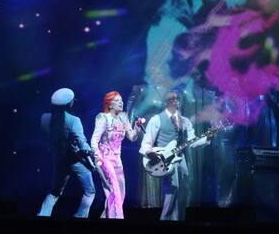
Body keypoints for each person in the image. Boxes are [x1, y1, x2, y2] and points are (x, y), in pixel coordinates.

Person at [139, 91, 210, 221]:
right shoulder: (157, 119)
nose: (175, 101)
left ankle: (178, 219)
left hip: (180, 158)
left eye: (177, 99)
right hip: (165, 160)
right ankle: (165, 219)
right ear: (166, 102)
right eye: (172, 99)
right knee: (172, 188)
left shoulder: (184, 120)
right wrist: (151, 153)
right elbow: (146, 142)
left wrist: (207, 138)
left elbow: (192, 141)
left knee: (184, 189)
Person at [37, 88, 95, 218]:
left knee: (55, 192)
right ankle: (80, 217)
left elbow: (46, 138)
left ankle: (42, 215)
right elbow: (82, 143)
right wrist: (90, 159)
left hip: (58, 160)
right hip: (74, 160)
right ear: (70, 103)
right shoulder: (74, 120)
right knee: (90, 191)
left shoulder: (45, 118)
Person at [90, 91, 144, 219]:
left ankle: (106, 217)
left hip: (117, 159)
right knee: (114, 191)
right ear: (109, 104)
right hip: (105, 159)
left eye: (121, 100)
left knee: (121, 192)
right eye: (117, 100)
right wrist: (98, 157)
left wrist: (137, 127)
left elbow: (132, 137)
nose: (121, 102)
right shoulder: (103, 118)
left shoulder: (123, 118)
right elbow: (94, 141)